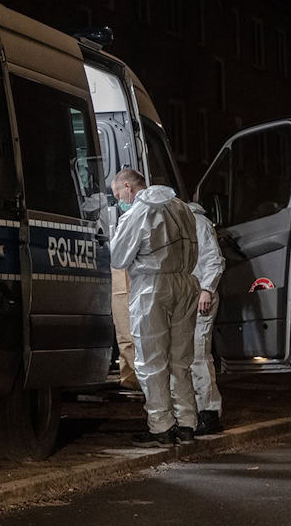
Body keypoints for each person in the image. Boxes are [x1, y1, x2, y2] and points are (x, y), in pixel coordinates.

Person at [110, 168, 200, 447]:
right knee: (181, 360)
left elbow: (118, 256)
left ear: (128, 186)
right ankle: (186, 424)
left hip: (152, 287)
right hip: (186, 283)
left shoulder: (139, 211)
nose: (119, 201)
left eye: (118, 195)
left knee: (151, 361)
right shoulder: (182, 208)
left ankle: (161, 427)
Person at [189, 202, 226, 435]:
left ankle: (209, 412)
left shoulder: (197, 223)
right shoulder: (186, 222)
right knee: (193, 355)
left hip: (201, 295)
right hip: (190, 295)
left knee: (199, 354)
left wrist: (207, 290)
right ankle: (200, 411)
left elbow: (214, 259)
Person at [111, 267, 140, 390]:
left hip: (139, 274)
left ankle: (138, 377)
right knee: (124, 330)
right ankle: (131, 377)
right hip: (119, 274)